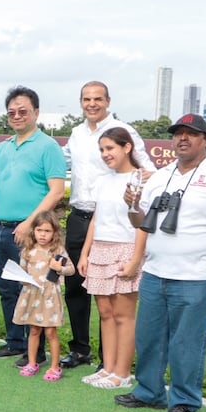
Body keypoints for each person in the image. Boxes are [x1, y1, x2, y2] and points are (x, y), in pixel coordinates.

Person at [116, 113, 206, 412]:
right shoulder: (160, 176)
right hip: (155, 272)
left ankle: (184, 403)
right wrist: (132, 205)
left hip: (197, 277)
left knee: (187, 344)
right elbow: (142, 223)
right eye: (178, 134)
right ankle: (149, 392)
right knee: (148, 338)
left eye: (191, 133)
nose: (182, 139)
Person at [61, 81, 150, 370]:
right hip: (81, 217)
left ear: (108, 101)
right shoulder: (76, 133)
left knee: (112, 298)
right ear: (81, 102)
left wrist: (134, 193)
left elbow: (148, 169)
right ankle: (80, 350)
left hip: (117, 223)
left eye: (98, 99)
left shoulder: (123, 130)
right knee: (76, 287)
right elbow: (61, 164)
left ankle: (108, 362)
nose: (92, 104)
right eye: (86, 99)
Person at [0, 86, 67, 367]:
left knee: (32, 289)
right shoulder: (3, 148)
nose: (16, 116)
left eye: (22, 111)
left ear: (36, 113)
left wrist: (29, 224)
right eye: (11, 112)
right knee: (6, 289)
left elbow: (56, 191)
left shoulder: (48, 147)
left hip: (30, 232)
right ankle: (15, 342)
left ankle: (36, 351)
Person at [77, 127, 146, 389]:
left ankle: (122, 373)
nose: (105, 154)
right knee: (105, 313)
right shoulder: (103, 180)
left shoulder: (142, 179)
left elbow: (143, 223)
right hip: (100, 250)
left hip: (126, 249)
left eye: (110, 148)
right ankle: (107, 368)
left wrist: (136, 260)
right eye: (102, 150)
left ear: (127, 147)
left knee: (123, 315)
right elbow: (96, 220)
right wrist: (85, 253)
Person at [12, 211, 73, 381]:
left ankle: (55, 367)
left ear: (54, 233)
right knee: (33, 330)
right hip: (32, 295)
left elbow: (71, 269)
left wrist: (59, 268)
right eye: (39, 230)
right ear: (33, 231)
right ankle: (32, 362)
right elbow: (22, 272)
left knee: (51, 332)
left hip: (49, 297)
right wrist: (22, 279)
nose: (43, 235)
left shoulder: (58, 251)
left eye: (47, 231)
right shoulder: (28, 250)